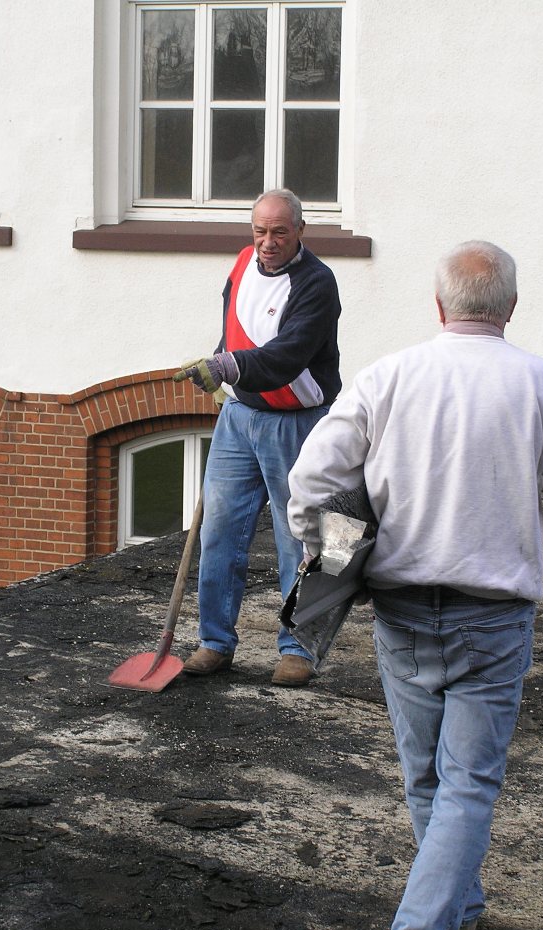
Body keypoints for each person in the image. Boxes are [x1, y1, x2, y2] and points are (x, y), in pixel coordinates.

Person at [286, 240, 543, 930]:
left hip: (399, 607)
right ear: (511, 309)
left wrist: (330, 556)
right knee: (468, 782)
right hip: (492, 618)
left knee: (427, 775)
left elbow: (310, 482)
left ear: (439, 305)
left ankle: (460, 908)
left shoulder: (388, 376)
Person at [174, 188, 342, 686]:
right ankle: (215, 641)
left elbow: (288, 356)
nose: (267, 242)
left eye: (279, 233)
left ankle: (298, 649)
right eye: (260, 231)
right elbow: (234, 331)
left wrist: (228, 366)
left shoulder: (317, 284)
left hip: (295, 423)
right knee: (219, 530)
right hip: (239, 416)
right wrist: (220, 370)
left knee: (300, 537)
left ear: (300, 231)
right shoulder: (242, 264)